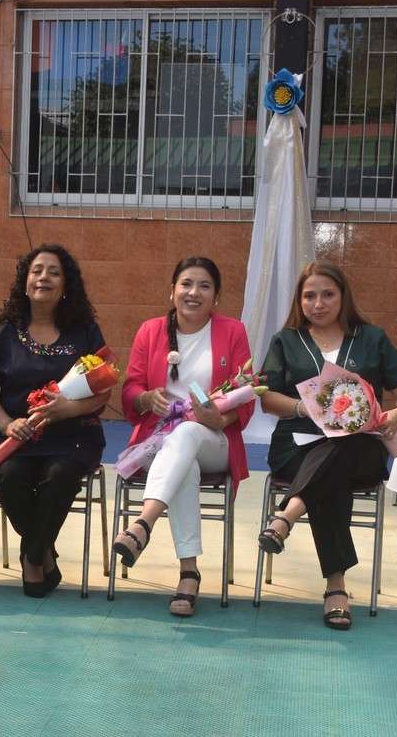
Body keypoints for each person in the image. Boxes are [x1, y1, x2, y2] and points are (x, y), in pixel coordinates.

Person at [258, 260, 397, 630]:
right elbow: (266, 398)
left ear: (343, 297)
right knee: (331, 475)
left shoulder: (372, 338)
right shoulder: (285, 341)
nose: (318, 303)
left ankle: (286, 517)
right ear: (299, 300)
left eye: (328, 294)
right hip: (297, 445)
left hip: (361, 448)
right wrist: (305, 408)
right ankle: (336, 588)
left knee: (343, 446)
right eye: (309, 296)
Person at [116, 256, 255, 617]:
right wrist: (147, 398)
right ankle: (189, 574)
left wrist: (219, 418)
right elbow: (130, 391)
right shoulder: (151, 330)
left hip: (214, 438)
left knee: (189, 432)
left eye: (204, 286)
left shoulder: (233, 331)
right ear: (173, 290)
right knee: (183, 463)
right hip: (159, 441)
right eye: (187, 284)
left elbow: (248, 397)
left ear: (216, 295)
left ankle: (143, 523)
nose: (194, 292)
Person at [0, 244, 111, 598]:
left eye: (54, 272)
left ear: (66, 285)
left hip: (74, 434)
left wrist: (70, 409)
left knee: (59, 476)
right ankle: (44, 555)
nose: (44, 277)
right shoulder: (6, 334)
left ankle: (32, 557)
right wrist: (6, 424)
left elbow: (104, 390)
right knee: (9, 477)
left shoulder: (85, 332)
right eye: (36, 271)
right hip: (18, 437)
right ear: (25, 282)